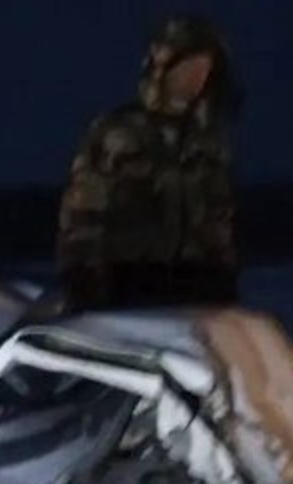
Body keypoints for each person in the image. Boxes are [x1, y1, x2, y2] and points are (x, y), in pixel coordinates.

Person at [57, 15, 241, 312]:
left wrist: (224, 277)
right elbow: (83, 216)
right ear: (165, 69)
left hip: (197, 290)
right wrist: (85, 280)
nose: (197, 77)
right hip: (130, 289)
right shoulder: (119, 133)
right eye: (190, 66)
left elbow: (219, 221)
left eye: (205, 68)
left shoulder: (208, 142)